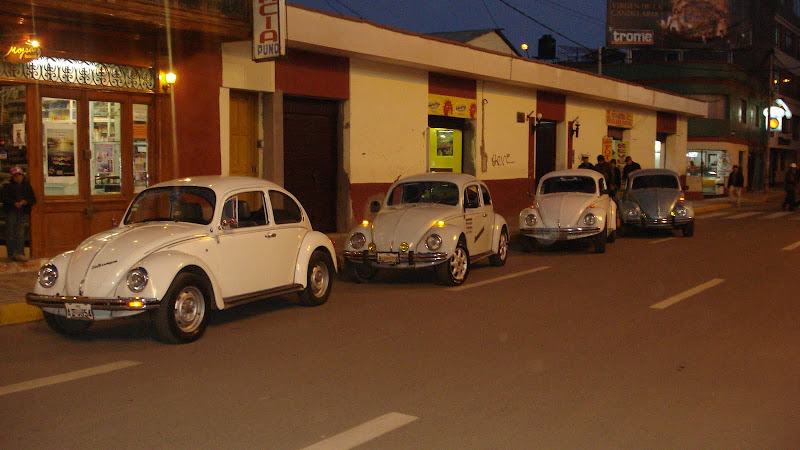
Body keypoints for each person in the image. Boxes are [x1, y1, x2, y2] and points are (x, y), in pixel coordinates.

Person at [2, 166, 36, 261]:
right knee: (11, 233)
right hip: (11, 212)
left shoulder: (27, 186)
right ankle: (11, 253)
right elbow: (5, 198)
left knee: (20, 233)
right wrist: (13, 202)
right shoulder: (7, 186)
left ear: (22, 176)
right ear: (12, 177)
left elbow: (32, 198)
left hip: (22, 212)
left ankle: (20, 253)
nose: (18, 178)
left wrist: (26, 201)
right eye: (15, 176)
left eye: (19, 175)